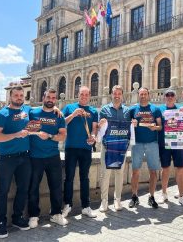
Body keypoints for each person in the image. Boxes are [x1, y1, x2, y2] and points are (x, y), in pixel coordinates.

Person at [0, 86, 31, 239]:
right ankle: (1, 222)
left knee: (23, 189)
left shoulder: (26, 110)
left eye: (21, 95)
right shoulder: (2, 114)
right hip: (7, 158)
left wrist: (57, 110)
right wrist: (16, 135)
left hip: (25, 157)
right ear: (10, 96)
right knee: (3, 191)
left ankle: (17, 218)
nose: (19, 97)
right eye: (16, 95)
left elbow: (43, 111)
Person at [28, 88, 68, 228]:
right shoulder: (32, 112)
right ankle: (33, 215)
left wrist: (50, 136)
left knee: (56, 186)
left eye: (53, 98)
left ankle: (56, 214)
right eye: (48, 97)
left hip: (53, 156)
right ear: (43, 97)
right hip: (35, 156)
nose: (50, 100)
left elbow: (63, 135)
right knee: (33, 187)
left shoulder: (59, 116)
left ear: (55, 99)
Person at [62, 86, 98, 218]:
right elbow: (61, 123)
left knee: (85, 178)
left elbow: (94, 129)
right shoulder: (69, 107)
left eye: (86, 94)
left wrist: (93, 137)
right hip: (71, 147)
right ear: (78, 95)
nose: (84, 97)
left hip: (86, 148)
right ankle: (67, 205)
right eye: (82, 94)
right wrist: (73, 114)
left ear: (89, 96)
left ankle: (86, 206)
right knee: (69, 178)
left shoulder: (93, 111)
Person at [98, 85, 133, 212]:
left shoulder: (127, 111)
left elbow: (130, 127)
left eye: (119, 93)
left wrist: (133, 124)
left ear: (122, 95)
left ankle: (117, 200)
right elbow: (98, 128)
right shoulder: (104, 110)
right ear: (111, 95)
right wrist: (100, 124)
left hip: (121, 148)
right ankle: (104, 202)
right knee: (105, 174)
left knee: (119, 173)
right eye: (114, 93)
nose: (117, 95)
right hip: (107, 147)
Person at [129, 87, 162, 208]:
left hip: (152, 143)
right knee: (135, 171)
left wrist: (155, 128)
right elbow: (128, 125)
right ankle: (134, 196)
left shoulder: (155, 109)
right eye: (141, 94)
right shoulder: (133, 109)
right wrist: (132, 124)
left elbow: (160, 126)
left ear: (148, 95)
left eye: (145, 94)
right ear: (138, 95)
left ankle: (151, 196)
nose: (143, 96)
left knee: (153, 171)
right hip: (137, 143)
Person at [157, 88, 183, 206]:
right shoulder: (159, 109)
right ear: (164, 97)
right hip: (163, 143)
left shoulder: (181, 108)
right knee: (165, 169)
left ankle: (181, 195)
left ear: (175, 97)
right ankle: (164, 193)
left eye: (172, 95)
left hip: (178, 143)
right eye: (167, 95)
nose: (170, 97)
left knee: (180, 169)